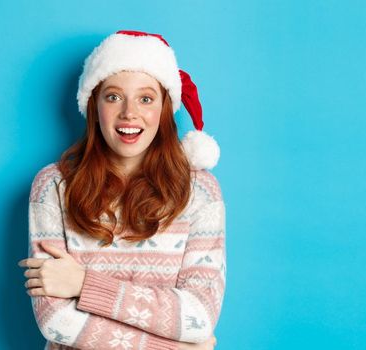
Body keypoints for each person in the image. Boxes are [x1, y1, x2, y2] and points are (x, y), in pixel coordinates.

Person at [17, 30, 225, 350]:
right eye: (113, 96)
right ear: (94, 104)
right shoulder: (53, 187)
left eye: (146, 98)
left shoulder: (201, 192)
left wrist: (83, 283)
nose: (129, 113)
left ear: (165, 109)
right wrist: (174, 347)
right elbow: (57, 321)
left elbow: (199, 316)